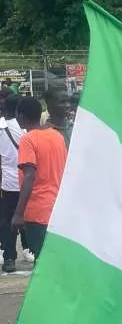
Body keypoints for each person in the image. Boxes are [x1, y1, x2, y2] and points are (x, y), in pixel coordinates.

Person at [12, 97, 68, 259]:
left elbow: (29, 176)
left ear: (21, 116)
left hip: (38, 211)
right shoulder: (57, 136)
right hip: (58, 208)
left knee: (42, 260)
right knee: (55, 260)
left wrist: (18, 214)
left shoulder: (28, 140)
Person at [0, 94, 33, 272]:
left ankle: (9, 258)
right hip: (29, 182)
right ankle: (32, 252)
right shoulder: (29, 129)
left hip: (9, 184)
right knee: (31, 219)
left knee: (8, 222)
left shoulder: (1, 128)